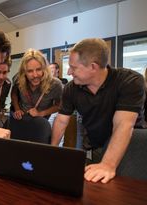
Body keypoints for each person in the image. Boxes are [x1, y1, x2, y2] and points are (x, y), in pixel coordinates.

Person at [51, 38, 146, 183]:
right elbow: (61, 120)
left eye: (73, 67)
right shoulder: (71, 88)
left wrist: (107, 164)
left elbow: (123, 125)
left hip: (131, 147)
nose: (69, 71)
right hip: (98, 146)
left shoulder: (130, 81)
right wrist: (52, 150)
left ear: (93, 67)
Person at [11, 49, 63, 121]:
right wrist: (17, 109)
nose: (35, 75)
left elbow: (59, 105)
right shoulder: (18, 79)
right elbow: (14, 93)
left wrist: (41, 113)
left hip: (41, 122)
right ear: (24, 72)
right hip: (21, 120)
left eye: (39, 69)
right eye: (30, 71)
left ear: (44, 69)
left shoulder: (55, 84)